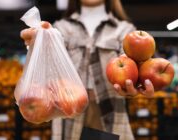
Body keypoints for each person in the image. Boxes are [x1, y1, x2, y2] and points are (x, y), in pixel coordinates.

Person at [20, 0, 154, 140]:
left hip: (109, 113)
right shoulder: (61, 28)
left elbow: (132, 69)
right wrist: (37, 42)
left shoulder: (125, 30)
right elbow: (49, 64)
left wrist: (137, 83)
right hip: (68, 111)